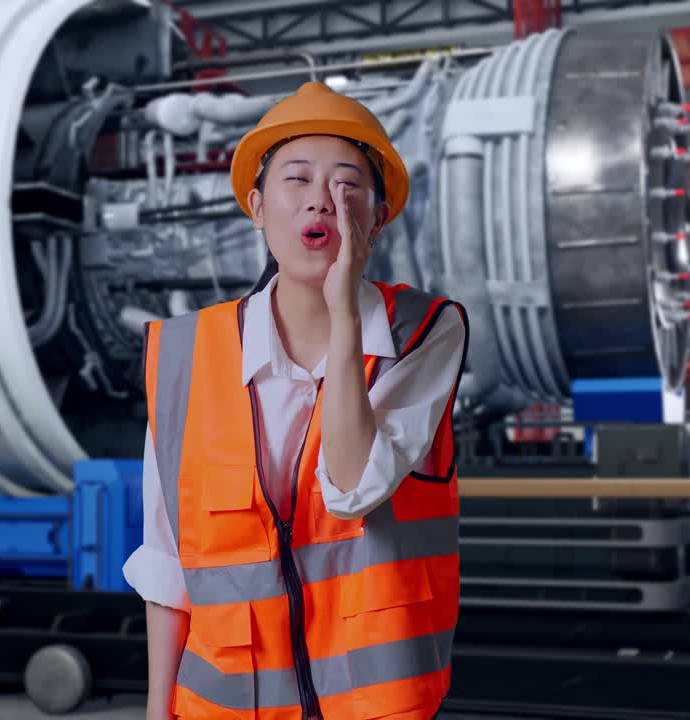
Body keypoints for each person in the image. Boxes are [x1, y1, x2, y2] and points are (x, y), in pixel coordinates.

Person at [124, 80, 467, 720]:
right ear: (256, 207)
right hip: (225, 705)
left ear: (378, 216)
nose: (322, 203)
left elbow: (353, 484)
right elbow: (169, 562)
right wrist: (155, 708)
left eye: (347, 185)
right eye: (298, 180)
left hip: (372, 706)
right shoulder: (182, 358)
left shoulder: (424, 332)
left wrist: (344, 315)